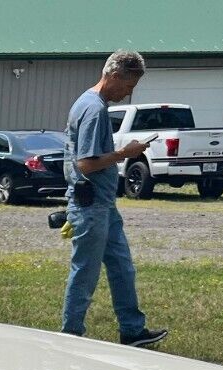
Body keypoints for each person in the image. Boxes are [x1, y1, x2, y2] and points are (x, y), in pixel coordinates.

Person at [61, 50, 167, 348]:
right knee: (85, 272)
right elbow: (86, 163)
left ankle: (132, 330)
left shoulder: (89, 103)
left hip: (103, 204)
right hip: (90, 204)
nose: (128, 93)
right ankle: (70, 336)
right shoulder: (93, 109)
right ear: (114, 76)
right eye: (128, 86)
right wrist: (125, 153)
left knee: (122, 266)